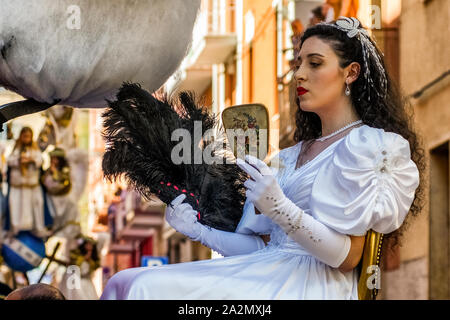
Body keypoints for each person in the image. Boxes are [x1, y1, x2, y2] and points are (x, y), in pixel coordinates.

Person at [100, 17, 423, 300]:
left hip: (313, 286)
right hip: (267, 270)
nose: (299, 74)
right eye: (297, 63)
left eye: (314, 63)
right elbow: (265, 249)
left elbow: (348, 258)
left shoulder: (370, 147)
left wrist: (280, 207)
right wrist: (199, 232)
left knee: (148, 291)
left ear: (350, 73)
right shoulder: (288, 157)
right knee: (125, 281)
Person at [4, 127, 49, 238]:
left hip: (32, 185)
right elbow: (9, 161)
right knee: (15, 207)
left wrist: (31, 160)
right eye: (24, 136)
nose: (26, 139)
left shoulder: (35, 149)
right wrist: (19, 160)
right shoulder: (16, 148)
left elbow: (40, 160)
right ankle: (15, 229)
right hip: (18, 186)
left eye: (28, 136)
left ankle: (38, 229)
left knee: (37, 207)